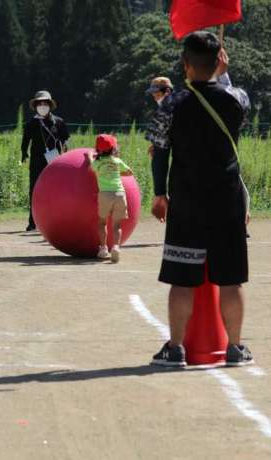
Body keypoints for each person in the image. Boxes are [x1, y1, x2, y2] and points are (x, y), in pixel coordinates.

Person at [146, 31, 253, 367]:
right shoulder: (238, 98)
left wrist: (160, 193)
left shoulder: (172, 104)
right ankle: (235, 347)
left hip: (187, 197)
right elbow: (235, 103)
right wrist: (223, 75)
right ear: (219, 60)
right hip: (227, 197)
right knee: (230, 277)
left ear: (185, 64)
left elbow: (160, 151)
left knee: (182, 276)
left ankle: (176, 348)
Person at [21, 90, 70, 231]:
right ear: (36, 105)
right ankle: (33, 222)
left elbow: (66, 139)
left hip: (55, 161)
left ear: (49, 105)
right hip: (36, 160)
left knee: (57, 190)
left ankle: (57, 220)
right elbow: (25, 140)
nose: (42, 105)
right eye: (40, 103)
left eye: (45, 103)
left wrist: (67, 153)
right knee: (34, 190)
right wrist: (23, 153)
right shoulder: (31, 123)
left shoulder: (59, 122)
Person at [85, 134, 134, 263]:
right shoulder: (117, 161)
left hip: (105, 195)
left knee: (102, 222)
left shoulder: (98, 162)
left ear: (98, 149)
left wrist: (90, 157)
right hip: (120, 194)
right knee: (117, 225)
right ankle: (116, 247)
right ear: (113, 148)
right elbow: (130, 172)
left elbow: (90, 169)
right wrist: (117, 172)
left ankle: (103, 249)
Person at [145, 77, 174, 159]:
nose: (155, 98)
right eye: (153, 95)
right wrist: (156, 144)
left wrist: (156, 147)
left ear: (167, 91)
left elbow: (159, 156)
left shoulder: (165, 110)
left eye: (157, 94)